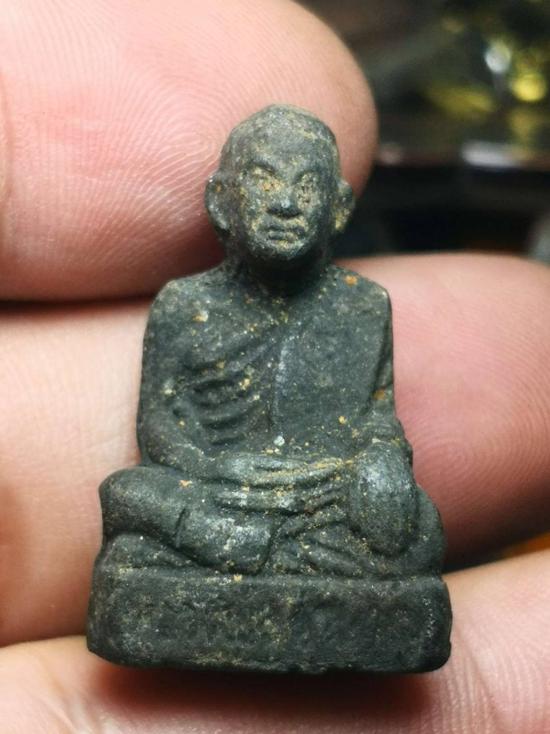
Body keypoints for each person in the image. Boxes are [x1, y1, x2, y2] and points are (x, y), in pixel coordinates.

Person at [0, 0, 549, 730]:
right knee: (128, 493)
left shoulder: (362, 307)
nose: (285, 203)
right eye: (263, 181)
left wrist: (383, 465)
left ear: (339, 207)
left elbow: (377, 418)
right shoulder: (184, 304)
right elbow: (159, 430)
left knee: (419, 531)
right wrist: (219, 474)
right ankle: (232, 549)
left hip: (321, 500)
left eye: (306, 185)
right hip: (220, 497)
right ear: (221, 201)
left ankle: (260, 559)